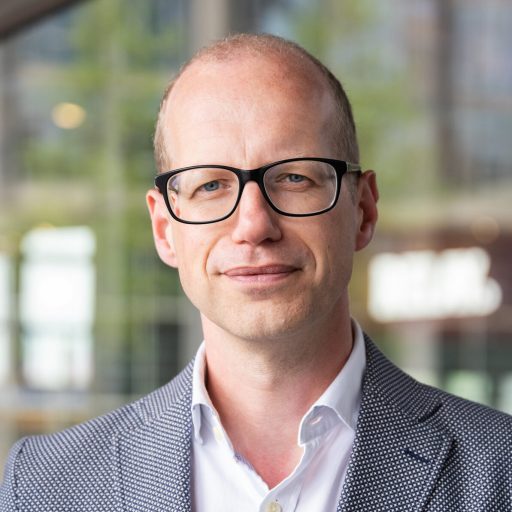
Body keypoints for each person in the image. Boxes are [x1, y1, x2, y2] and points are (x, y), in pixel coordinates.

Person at [1, 33, 510, 512]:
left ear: (363, 210)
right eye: (210, 186)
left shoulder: (499, 472)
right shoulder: (48, 485)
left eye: (294, 177)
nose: (254, 225)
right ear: (164, 229)